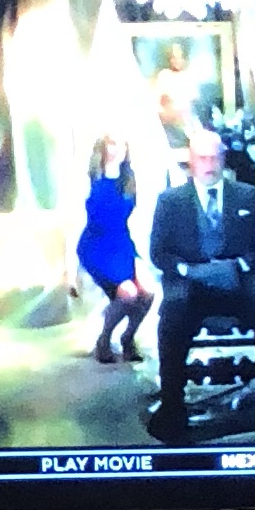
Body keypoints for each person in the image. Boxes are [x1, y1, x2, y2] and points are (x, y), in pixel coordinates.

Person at [144, 125, 255, 437]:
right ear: (191, 160)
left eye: (215, 158)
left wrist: (238, 266)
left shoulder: (248, 196)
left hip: (238, 280)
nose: (209, 165)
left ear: (224, 159)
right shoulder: (170, 201)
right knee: (172, 313)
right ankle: (172, 405)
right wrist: (187, 271)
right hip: (191, 281)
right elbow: (159, 253)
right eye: (202, 158)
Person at [76, 136, 149, 362]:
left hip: (121, 243)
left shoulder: (129, 178)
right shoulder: (89, 178)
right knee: (128, 294)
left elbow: (136, 217)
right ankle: (104, 340)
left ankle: (128, 338)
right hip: (96, 246)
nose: (117, 149)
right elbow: (74, 218)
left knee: (148, 293)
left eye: (122, 144)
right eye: (112, 143)